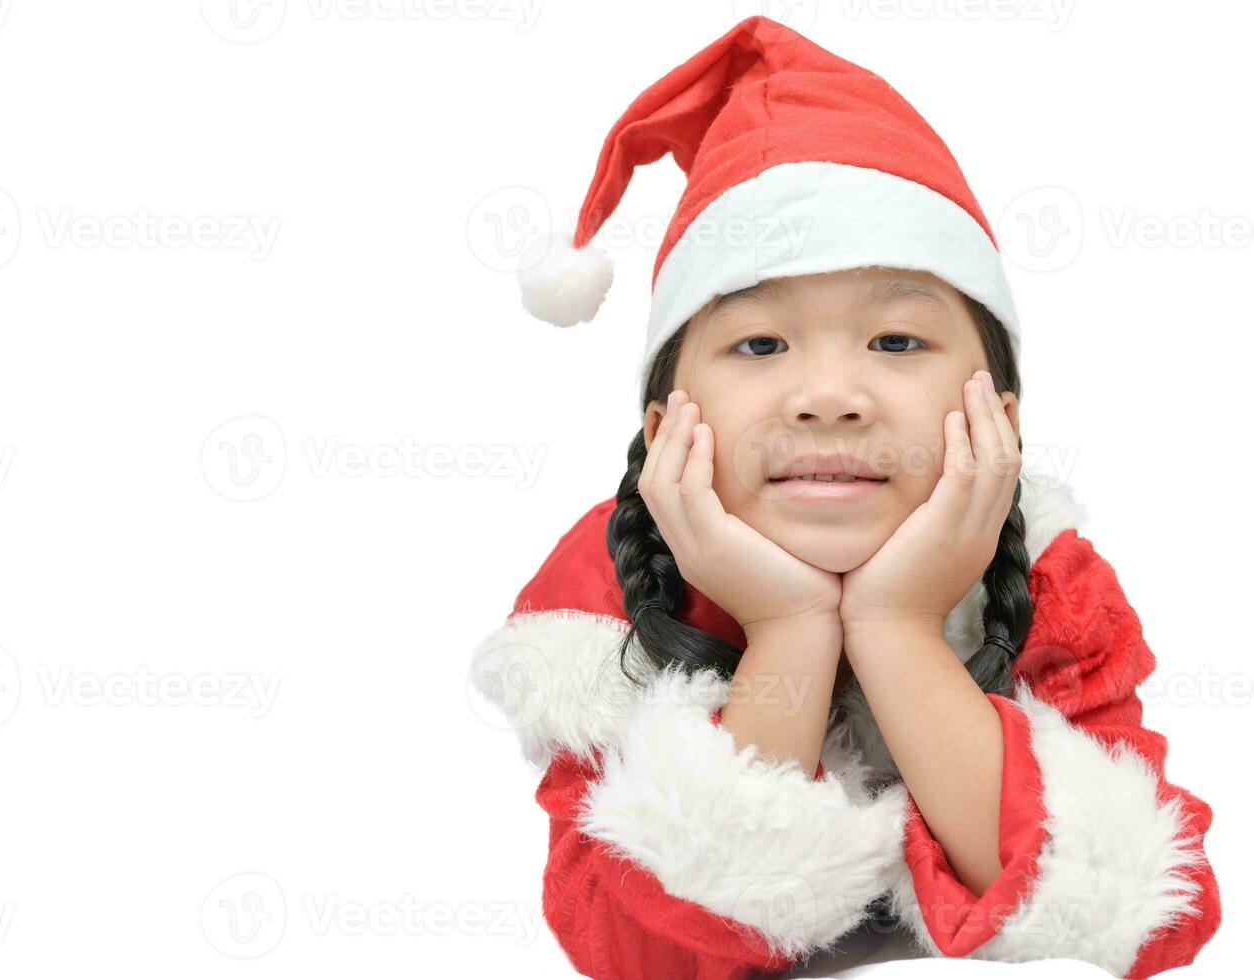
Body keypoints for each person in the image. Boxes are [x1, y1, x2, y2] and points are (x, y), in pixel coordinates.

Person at [469, 15, 1221, 980]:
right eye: (759, 344)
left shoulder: (1044, 572)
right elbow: (631, 952)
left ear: (999, 415)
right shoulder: (608, 595)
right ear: (660, 428)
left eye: (897, 342)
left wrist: (900, 627)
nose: (828, 396)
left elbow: (1148, 910)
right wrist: (787, 628)